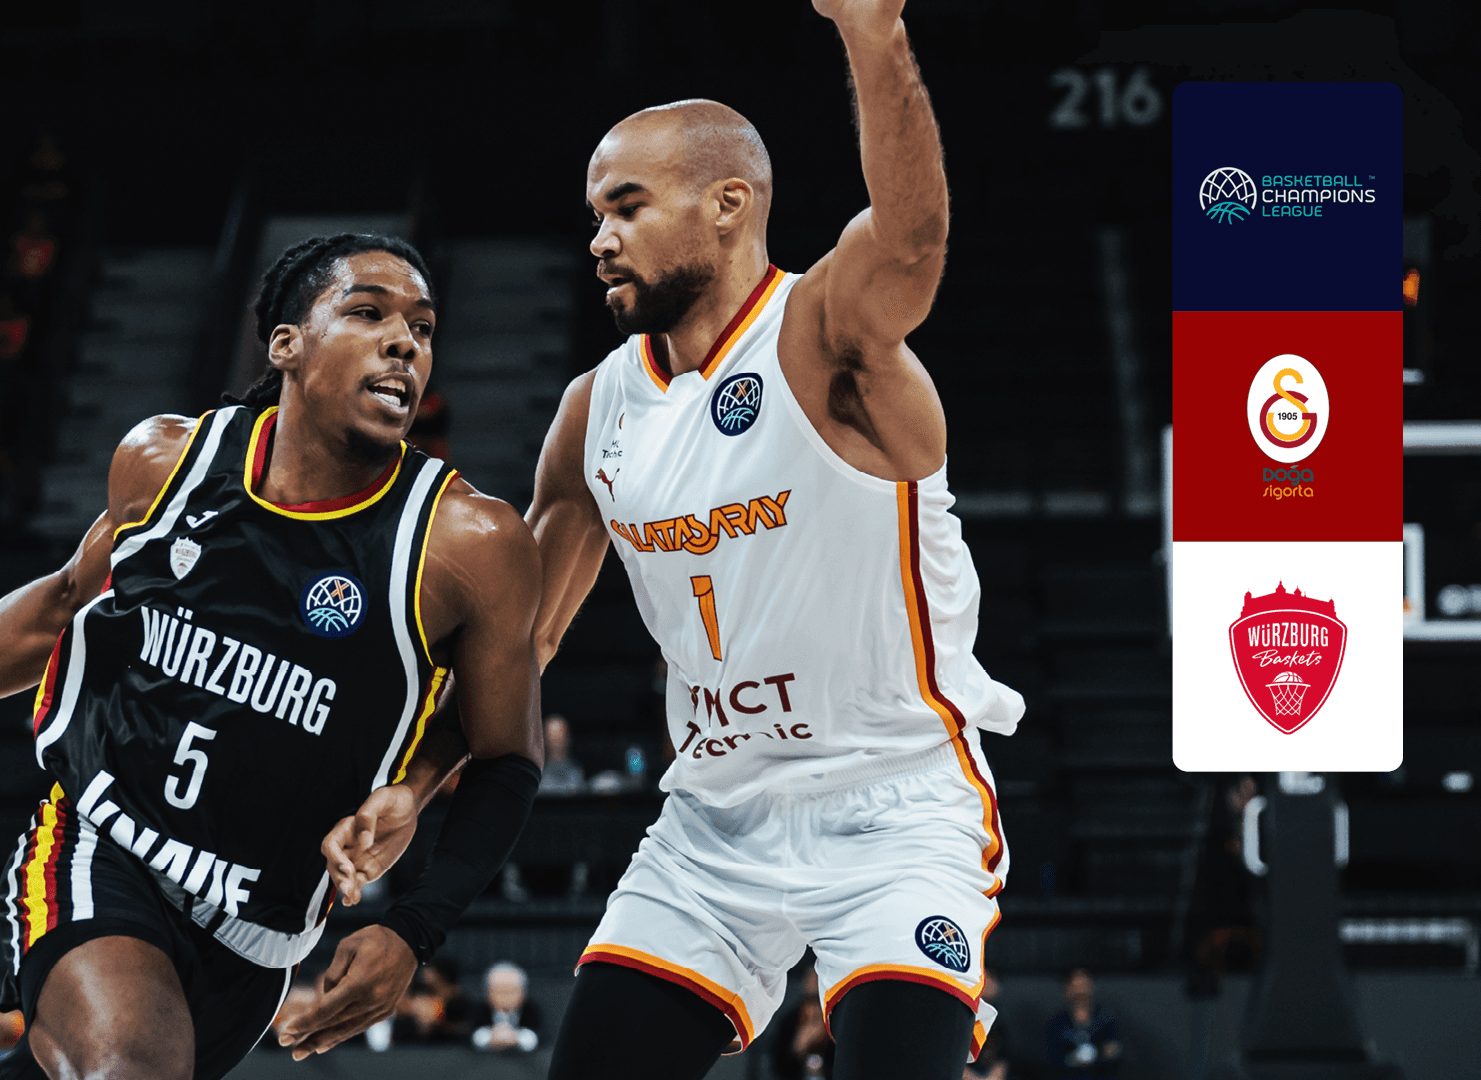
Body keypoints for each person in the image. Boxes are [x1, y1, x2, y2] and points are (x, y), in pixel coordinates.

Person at [332, 4, 1019, 1079]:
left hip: (894, 806)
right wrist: (411, 790)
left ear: (727, 204)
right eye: (593, 214)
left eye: (627, 206)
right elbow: (522, 645)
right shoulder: (595, 408)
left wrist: (872, 30)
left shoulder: (825, 336)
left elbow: (911, 241)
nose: (598, 238)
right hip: (713, 821)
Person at [0, 233, 545, 1079]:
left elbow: (506, 758)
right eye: (368, 313)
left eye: (423, 328)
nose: (404, 342)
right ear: (285, 344)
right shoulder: (167, 463)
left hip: (258, 933)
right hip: (102, 844)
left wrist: (412, 929)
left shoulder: (470, 545)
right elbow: (61, 604)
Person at [1045, 969, 1119, 1080]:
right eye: (1076, 987)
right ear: (1067, 990)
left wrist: (1097, 1054)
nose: (1081, 992)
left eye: (1084, 986)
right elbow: (1052, 1060)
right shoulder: (1056, 1024)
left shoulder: (1106, 1020)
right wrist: (1074, 1058)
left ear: (1092, 987)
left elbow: (1113, 1053)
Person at [468, 963, 545, 1054]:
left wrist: (516, 1037)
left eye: (511, 991)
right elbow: (473, 1036)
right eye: (500, 991)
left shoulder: (531, 1010)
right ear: (488, 993)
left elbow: (537, 1037)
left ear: (522, 993)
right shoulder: (480, 1010)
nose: (505, 996)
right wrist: (491, 1036)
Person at [539, 714, 587, 795]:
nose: (556, 742)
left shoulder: (577, 774)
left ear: (568, 739)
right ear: (544, 740)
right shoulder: (537, 777)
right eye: (552, 737)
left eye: (560, 736)